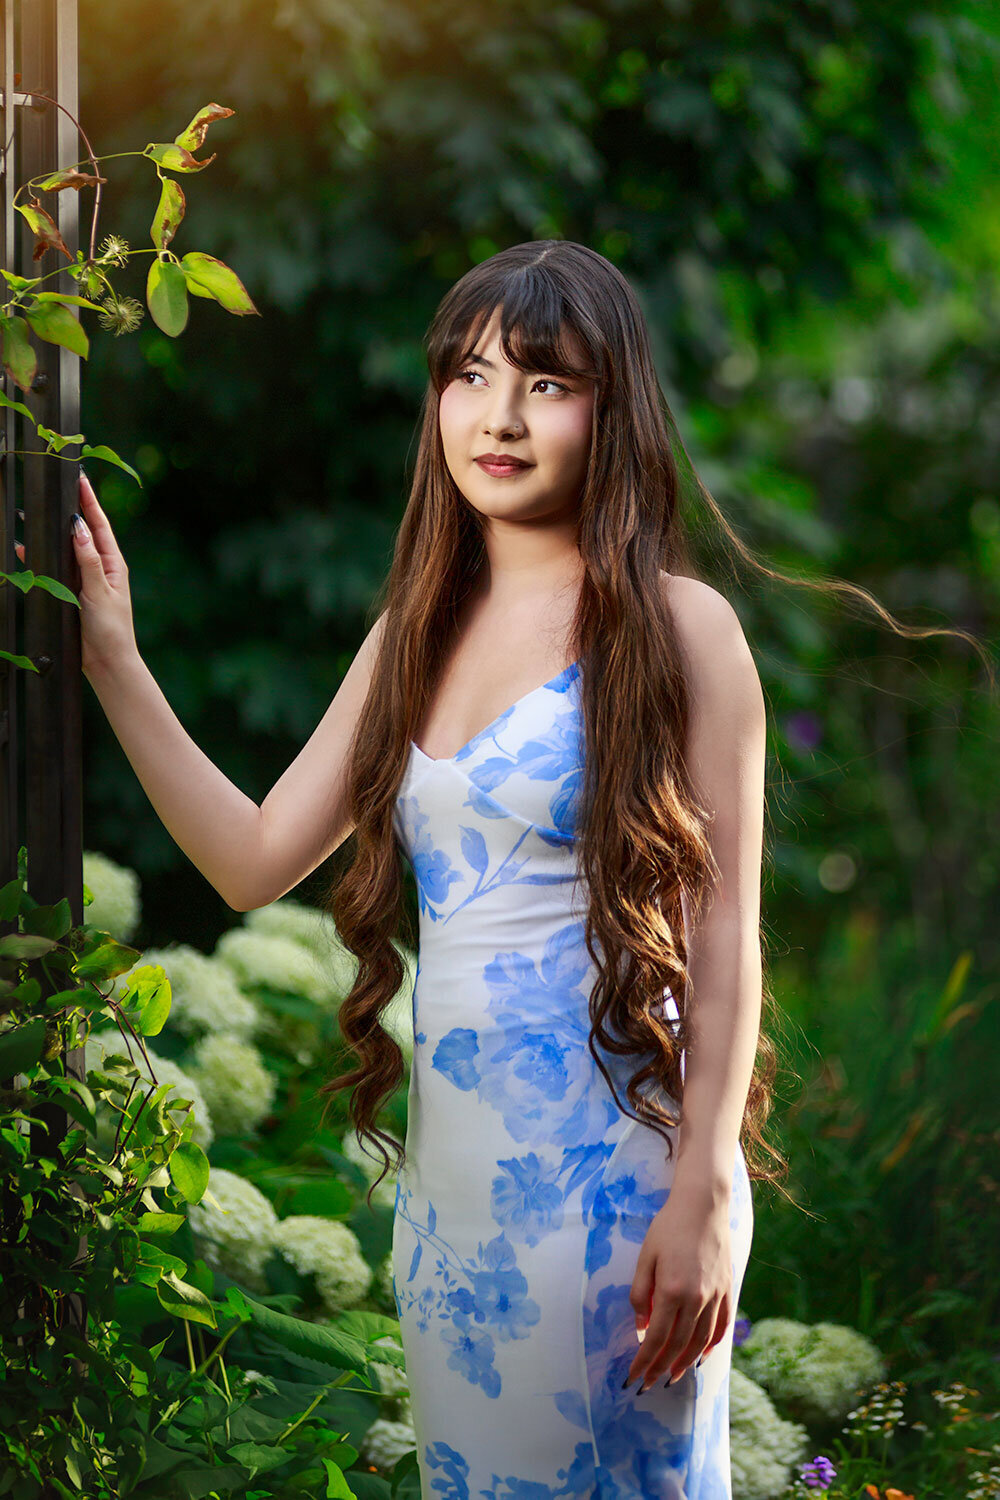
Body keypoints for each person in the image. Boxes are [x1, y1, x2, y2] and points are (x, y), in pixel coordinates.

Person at [63, 239, 768, 1496]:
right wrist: (115, 661)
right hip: (454, 1218)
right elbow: (250, 857)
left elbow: (724, 939)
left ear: (613, 408)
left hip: (613, 1193)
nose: (498, 416)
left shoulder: (679, 630)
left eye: (546, 384)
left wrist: (707, 1192)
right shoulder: (412, 633)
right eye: (471, 376)